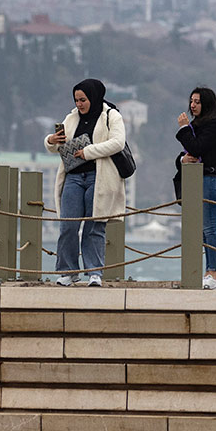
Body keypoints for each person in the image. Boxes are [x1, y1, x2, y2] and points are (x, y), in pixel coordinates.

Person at [44, 79, 127, 287]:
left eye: (83, 100)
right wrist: (50, 141)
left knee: (94, 226)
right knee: (68, 225)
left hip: (99, 177)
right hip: (73, 176)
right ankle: (67, 271)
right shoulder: (71, 117)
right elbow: (60, 146)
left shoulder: (111, 116)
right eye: (76, 100)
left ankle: (94, 272)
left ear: (94, 97)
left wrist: (88, 152)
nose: (79, 104)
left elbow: (118, 143)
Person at [176, 87, 216, 289]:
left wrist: (184, 129)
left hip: (212, 178)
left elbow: (196, 147)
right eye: (191, 101)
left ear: (206, 104)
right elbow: (188, 153)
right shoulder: (199, 124)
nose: (192, 105)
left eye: (197, 102)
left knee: (209, 226)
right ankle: (207, 271)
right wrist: (183, 159)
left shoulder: (214, 124)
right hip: (198, 179)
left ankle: (213, 273)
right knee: (203, 229)